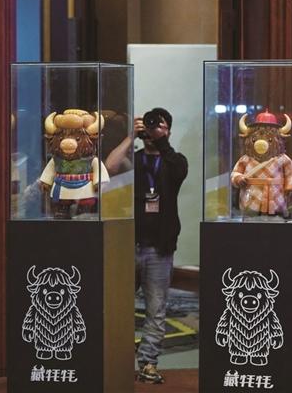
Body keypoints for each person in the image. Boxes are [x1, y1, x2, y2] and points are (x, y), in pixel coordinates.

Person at [106, 107, 188, 384]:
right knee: (118, 306)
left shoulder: (175, 161)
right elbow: (109, 168)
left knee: (156, 309)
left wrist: (160, 140)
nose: (153, 129)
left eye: (159, 125)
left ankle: (148, 363)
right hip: (129, 245)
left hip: (159, 248)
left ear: (169, 130)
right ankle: (115, 360)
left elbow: (178, 170)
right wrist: (131, 136)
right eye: (150, 125)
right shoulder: (135, 161)